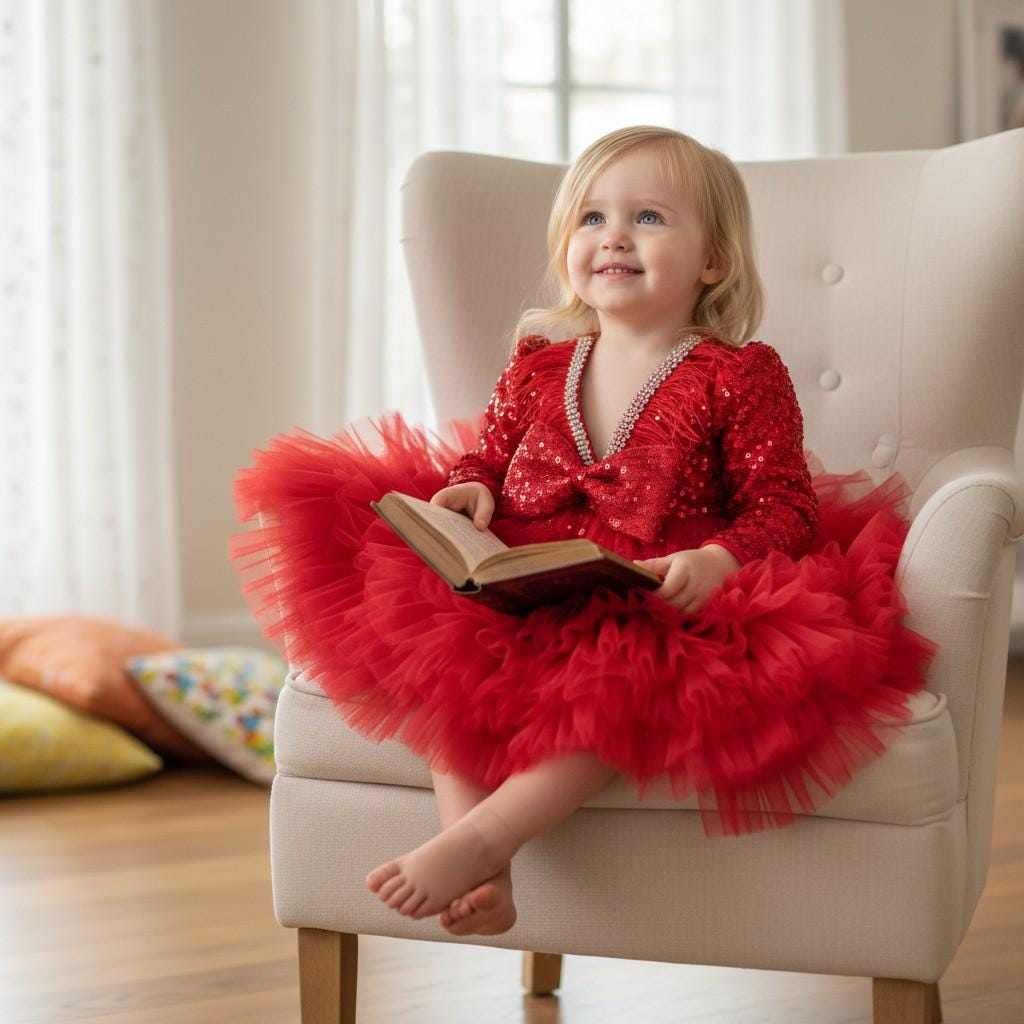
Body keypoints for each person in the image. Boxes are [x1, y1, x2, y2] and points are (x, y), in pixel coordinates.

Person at [228, 125, 938, 939]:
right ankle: (479, 865)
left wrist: (717, 558)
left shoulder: (739, 373)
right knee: (438, 648)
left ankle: (483, 841)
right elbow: (490, 458)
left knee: (627, 680)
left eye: (649, 218)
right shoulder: (538, 362)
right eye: (592, 219)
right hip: (528, 579)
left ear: (712, 261)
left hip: (659, 596)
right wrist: (471, 490)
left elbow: (783, 508)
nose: (616, 237)